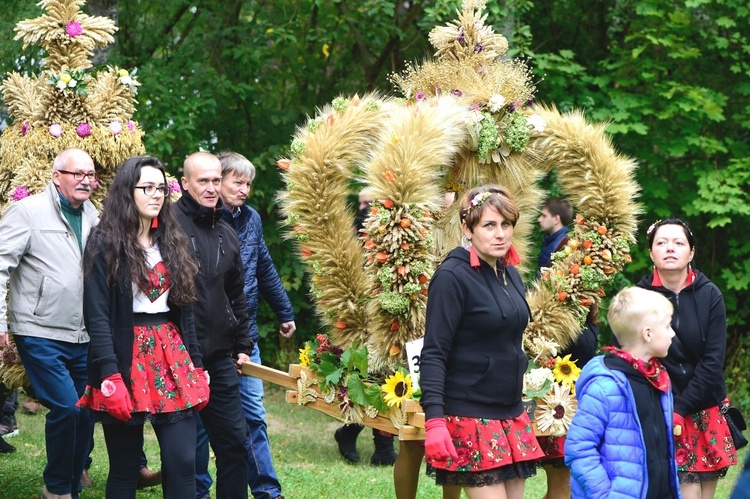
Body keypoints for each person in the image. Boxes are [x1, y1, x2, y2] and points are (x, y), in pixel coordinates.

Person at [77, 156, 209, 498]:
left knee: (183, 462)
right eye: (147, 187)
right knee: (124, 467)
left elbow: (186, 312)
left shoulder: (171, 239)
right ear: (127, 191)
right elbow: (97, 315)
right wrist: (109, 374)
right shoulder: (105, 240)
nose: (156, 195)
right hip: (124, 357)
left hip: (171, 355)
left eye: (161, 188)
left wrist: (197, 365)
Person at [419, 184, 543, 499]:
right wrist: (434, 420)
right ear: (467, 227)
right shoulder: (452, 277)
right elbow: (434, 353)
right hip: (469, 413)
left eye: (506, 224)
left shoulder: (509, 274)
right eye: (489, 225)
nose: (500, 233)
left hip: (511, 412)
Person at [193, 150, 294, 499]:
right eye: (238, 182)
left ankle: (267, 491)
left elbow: (263, 266)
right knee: (202, 423)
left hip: (245, 336)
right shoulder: (197, 221)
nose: (245, 190)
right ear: (218, 181)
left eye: (248, 184)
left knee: (254, 415)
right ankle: (198, 490)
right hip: (206, 339)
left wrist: (285, 311)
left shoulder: (250, 219)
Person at [0, 147, 97, 499]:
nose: (86, 180)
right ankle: (56, 488)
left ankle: (70, 484)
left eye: (90, 174)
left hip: (83, 333)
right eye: (77, 174)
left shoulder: (93, 215)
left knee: (86, 413)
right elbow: (0, 265)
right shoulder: (28, 212)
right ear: (57, 176)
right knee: (68, 408)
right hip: (38, 329)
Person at [638, 218, 737, 499]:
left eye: (678, 243)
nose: (670, 248)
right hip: (661, 410)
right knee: (685, 493)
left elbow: (713, 362)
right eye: (661, 243)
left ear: (691, 252)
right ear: (651, 252)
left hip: (705, 407)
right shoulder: (639, 297)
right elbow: (629, 357)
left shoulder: (710, 295)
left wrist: (682, 406)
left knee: (705, 495)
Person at [174, 151, 253, 499]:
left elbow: (237, 293)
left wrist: (243, 345)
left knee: (235, 446)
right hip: (175, 357)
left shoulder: (226, 230)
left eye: (216, 180)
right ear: (184, 183)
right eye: (203, 181)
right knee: (183, 454)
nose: (210, 188)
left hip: (220, 357)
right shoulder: (167, 225)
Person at [565, 286, 680, 498]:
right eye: (667, 326)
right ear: (648, 333)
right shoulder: (605, 387)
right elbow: (579, 449)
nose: (673, 333)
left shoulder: (657, 378)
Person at [535, 197, 598, 499]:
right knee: (562, 484)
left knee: (571, 485)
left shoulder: (588, 311)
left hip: (578, 400)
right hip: (557, 402)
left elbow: (587, 347)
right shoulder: (554, 312)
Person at [334, 186, 398, 467]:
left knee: (389, 378)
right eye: (361, 204)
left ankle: (355, 434)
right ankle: (379, 446)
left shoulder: (397, 231)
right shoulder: (354, 234)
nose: (365, 209)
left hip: (390, 314)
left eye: (370, 203)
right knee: (375, 379)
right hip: (362, 317)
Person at [537, 197, 573, 273]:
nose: (539, 219)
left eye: (544, 216)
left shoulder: (562, 245)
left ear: (556, 219)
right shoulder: (552, 240)